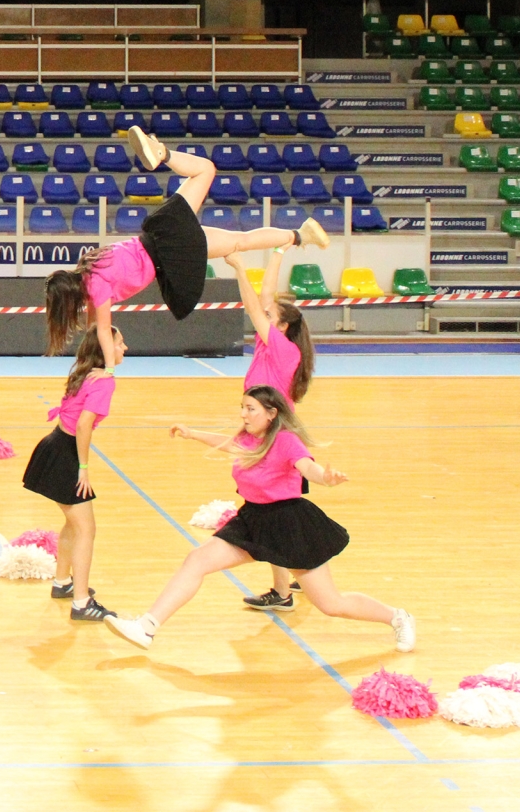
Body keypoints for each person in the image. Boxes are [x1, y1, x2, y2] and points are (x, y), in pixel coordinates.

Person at [105, 387, 415, 654]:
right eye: (242, 407)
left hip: (289, 524)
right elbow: (230, 444)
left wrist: (327, 478)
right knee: (197, 560)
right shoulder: (250, 438)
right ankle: (147, 626)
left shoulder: (287, 441)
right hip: (252, 519)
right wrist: (193, 433)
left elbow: (309, 469)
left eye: (250, 409)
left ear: (271, 413)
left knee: (331, 604)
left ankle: (398, 617)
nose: (243, 414)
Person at [43, 127, 327, 365]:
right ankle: (298, 235)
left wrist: (107, 371)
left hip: (167, 251)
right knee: (233, 228)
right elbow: (96, 329)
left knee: (210, 181)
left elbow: (103, 331)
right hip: (161, 237)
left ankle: (161, 154)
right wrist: (90, 361)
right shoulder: (90, 266)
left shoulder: (96, 289)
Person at [226, 248, 316, 611]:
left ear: (282, 328)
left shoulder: (283, 350)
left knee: (276, 515)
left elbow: (254, 306)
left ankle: (296, 579)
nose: (264, 315)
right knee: (271, 513)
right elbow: (266, 300)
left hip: (276, 443)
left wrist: (239, 268)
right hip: (262, 437)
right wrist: (279, 253)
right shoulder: (269, 343)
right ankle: (287, 586)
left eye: (270, 317)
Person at [21, 325, 122, 622]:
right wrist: (84, 469)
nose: (124, 348)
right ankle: (81, 603)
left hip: (53, 446)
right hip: (64, 454)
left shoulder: (85, 371)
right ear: (105, 350)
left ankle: (62, 582)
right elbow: (83, 426)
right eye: (120, 343)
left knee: (73, 524)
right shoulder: (103, 383)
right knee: (86, 530)